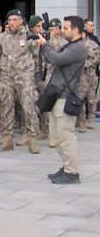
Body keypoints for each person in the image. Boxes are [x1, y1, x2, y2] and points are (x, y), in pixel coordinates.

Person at [36, 16, 87, 184]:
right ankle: (66, 167)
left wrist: (45, 45)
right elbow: (57, 56)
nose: (63, 31)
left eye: (66, 28)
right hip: (57, 96)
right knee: (57, 137)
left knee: (66, 137)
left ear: (76, 30)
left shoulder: (79, 48)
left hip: (65, 98)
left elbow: (56, 59)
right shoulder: (71, 45)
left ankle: (72, 173)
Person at [0, 9, 40, 153]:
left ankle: (32, 139)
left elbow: (37, 57)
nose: (12, 22)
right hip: (6, 77)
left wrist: (33, 75)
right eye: (10, 20)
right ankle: (7, 140)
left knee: (28, 107)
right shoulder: (2, 37)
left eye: (15, 20)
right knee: (6, 108)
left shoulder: (29, 36)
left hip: (24, 77)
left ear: (21, 20)